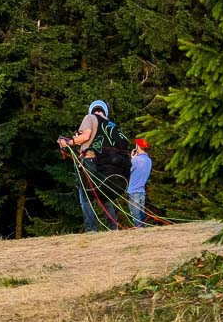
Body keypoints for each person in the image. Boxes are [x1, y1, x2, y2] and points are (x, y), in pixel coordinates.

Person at [58, 99, 124, 231]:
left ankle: (91, 229)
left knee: (85, 196)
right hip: (107, 163)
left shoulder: (90, 118)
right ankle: (113, 227)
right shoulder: (111, 125)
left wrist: (69, 142)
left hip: (90, 161)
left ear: (92, 110)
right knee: (104, 195)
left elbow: (86, 136)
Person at [128, 138, 153, 228]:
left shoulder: (136, 160)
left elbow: (127, 171)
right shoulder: (149, 160)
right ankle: (144, 231)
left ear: (137, 146)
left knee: (137, 217)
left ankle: (140, 232)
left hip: (133, 192)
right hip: (142, 191)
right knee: (141, 216)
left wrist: (132, 159)